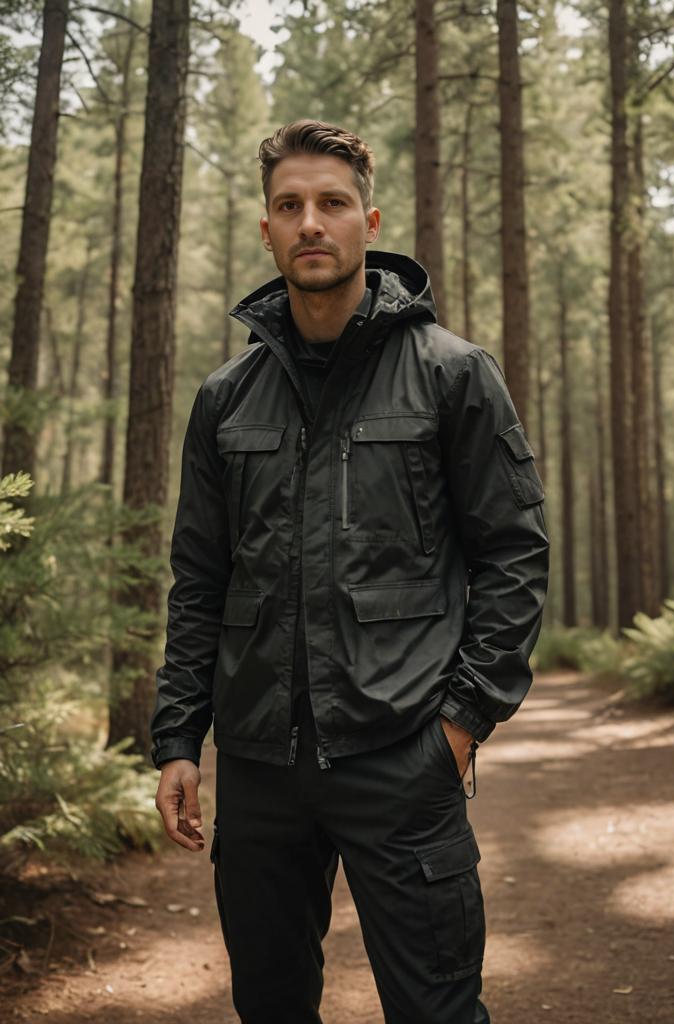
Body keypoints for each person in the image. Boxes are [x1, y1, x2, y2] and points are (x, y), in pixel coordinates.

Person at [151, 119, 549, 1024]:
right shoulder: (225, 399)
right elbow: (199, 580)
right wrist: (179, 738)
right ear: (267, 231)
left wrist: (462, 723)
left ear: (369, 220)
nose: (311, 223)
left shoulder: (454, 376)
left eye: (332, 203)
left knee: (438, 1010)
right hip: (257, 767)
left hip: (400, 754)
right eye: (289, 206)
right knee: (272, 1007)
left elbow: (514, 554)